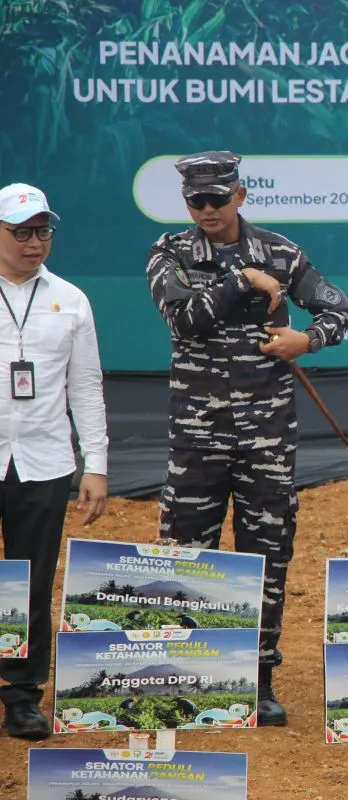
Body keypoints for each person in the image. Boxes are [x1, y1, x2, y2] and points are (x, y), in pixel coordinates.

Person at [145, 152, 348, 727]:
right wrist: (241, 280)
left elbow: (340, 311)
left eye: (217, 198)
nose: (207, 210)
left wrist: (304, 341)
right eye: (196, 201)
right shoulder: (170, 253)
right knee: (187, 556)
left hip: (268, 436)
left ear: (239, 195)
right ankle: (188, 673)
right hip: (197, 437)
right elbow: (184, 319)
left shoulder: (280, 253)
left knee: (267, 554)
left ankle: (257, 679)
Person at [0, 183, 108, 739]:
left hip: (44, 460)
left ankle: (21, 694)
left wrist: (96, 463)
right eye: (21, 232)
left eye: (42, 231)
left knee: (30, 581)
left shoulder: (71, 299)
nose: (34, 242)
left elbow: (85, 386)